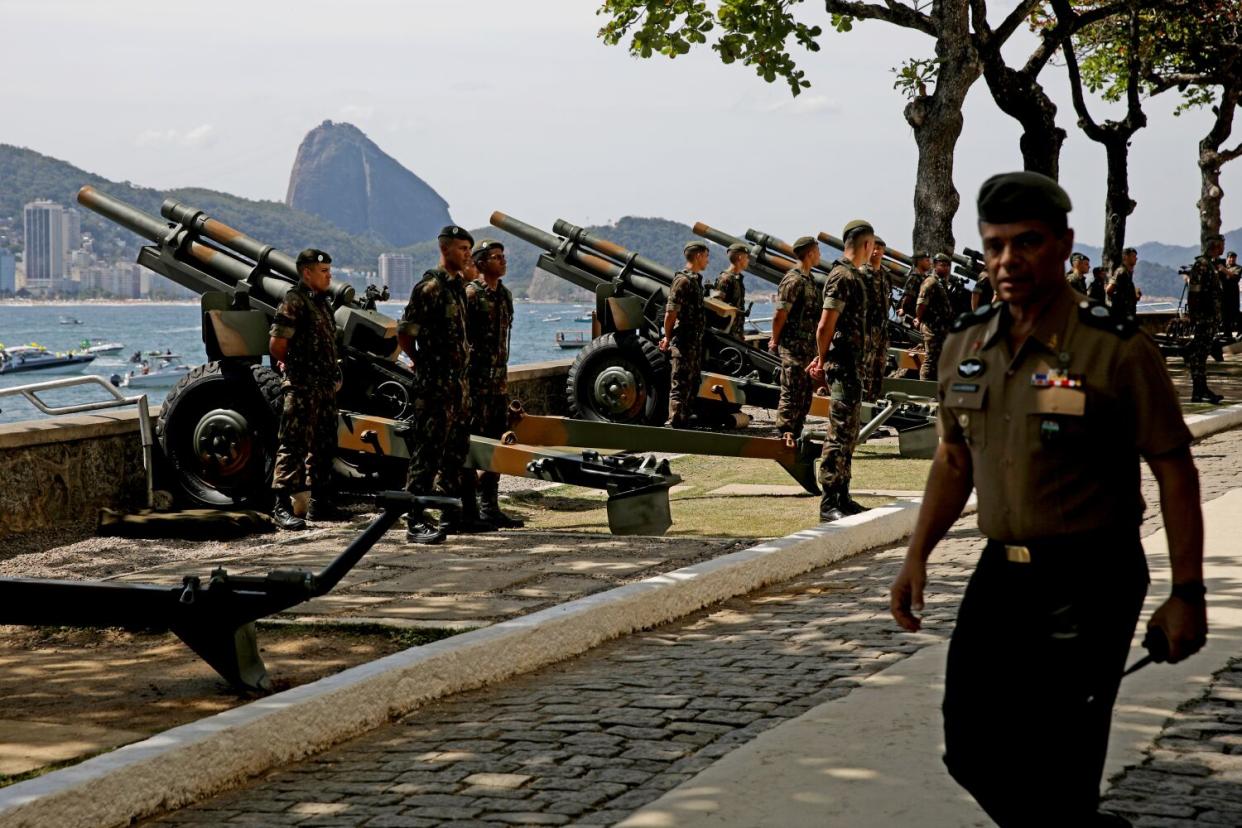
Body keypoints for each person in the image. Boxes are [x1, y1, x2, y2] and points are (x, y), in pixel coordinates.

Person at [890, 171, 1206, 828]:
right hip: (1000, 576)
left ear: (1063, 244)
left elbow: (1173, 468)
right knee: (970, 748)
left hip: (1091, 576)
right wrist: (916, 554)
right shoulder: (963, 346)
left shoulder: (1114, 349)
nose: (1009, 260)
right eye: (996, 244)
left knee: (1061, 762)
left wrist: (1188, 593)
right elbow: (954, 460)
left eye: (1027, 242)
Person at [399, 225, 488, 544]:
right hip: (435, 387)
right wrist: (421, 362)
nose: (468, 254)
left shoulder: (457, 288)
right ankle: (415, 520)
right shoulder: (429, 288)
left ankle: (450, 515)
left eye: (469, 249)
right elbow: (406, 333)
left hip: (457, 388)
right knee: (427, 454)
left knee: (455, 454)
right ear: (446, 249)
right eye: (463, 248)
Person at [269, 248, 342, 530]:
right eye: (323, 272)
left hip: (324, 388)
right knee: (293, 445)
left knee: (324, 446)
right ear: (307, 272)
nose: (329, 276)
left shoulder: (322, 304)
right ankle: (282, 506)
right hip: (301, 387)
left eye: (329, 271)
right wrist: (299, 369)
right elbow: (277, 346)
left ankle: (320, 504)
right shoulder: (294, 301)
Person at [810, 220, 873, 522]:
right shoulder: (841, 276)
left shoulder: (853, 277)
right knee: (838, 432)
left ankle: (843, 495)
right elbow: (825, 325)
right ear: (866, 245)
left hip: (852, 366)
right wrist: (821, 361)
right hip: (842, 366)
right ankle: (829, 501)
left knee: (848, 432)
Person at [465, 238, 523, 528]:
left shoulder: (505, 296)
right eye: (496, 257)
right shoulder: (472, 295)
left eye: (503, 256)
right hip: (475, 385)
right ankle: (470, 508)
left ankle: (490, 507)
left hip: (498, 384)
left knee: (497, 446)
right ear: (480, 263)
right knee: (474, 447)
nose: (503, 261)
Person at [768, 236, 821, 440]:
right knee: (791, 391)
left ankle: (796, 432)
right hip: (792, 346)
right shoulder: (794, 280)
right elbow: (780, 314)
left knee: (805, 393)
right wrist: (775, 339)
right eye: (817, 251)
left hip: (807, 347)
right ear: (809, 254)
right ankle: (785, 433)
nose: (819, 255)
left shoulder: (809, 279)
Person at [661, 241, 709, 428]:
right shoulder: (682, 281)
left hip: (693, 342)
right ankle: (675, 424)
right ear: (698, 256)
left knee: (692, 384)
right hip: (683, 342)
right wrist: (667, 336)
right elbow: (670, 313)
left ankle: (685, 421)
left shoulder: (695, 280)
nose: (707, 261)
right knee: (680, 385)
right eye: (706, 256)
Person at [1185, 234, 1227, 404]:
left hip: (1210, 319)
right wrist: (1195, 316)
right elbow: (1194, 292)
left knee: (1201, 355)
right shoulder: (1202, 265)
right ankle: (1199, 390)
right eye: (1222, 245)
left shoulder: (1210, 265)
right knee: (1199, 355)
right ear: (1216, 246)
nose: (1223, 248)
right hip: (1204, 318)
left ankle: (1200, 390)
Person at [862, 235, 892, 401]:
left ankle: (872, 404)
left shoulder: (885, 275)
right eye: (873, 247)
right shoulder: (862, 273)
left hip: (881, 330)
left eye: (879, 248)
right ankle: (863, 406)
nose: (876, 251)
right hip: (867, 329)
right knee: (865, 369)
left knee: (879, 370)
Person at [915, 253, 954, 380]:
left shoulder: (940, 283)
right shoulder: (931, 282)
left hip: (941, 330)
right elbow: (921, 304)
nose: (946, 268)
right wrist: (919, 319)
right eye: (942, 265)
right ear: (934, 265)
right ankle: (924, 389)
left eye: (948, 265)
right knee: (930, 360)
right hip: (932, 329)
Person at [714, 242, 749, 341]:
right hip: (726, 335)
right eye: (746, 257)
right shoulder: (725, 279)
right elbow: (717, 306)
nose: (748, 260)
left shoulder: (737, 279)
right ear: (740, 258)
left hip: (735, 333)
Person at [1106, 246, 1141, 319]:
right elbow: (1109, 290)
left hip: (1128, 312)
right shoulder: (1121, 272)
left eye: (1136, 256)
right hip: (1121, 313)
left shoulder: (1128, 273)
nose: (1136, 258)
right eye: (1133, 256)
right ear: (1125, 257)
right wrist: (1120, 302)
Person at [898, 252, 930, 324]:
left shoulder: (923, 278)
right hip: (909, 315)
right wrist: (903, 309)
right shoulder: (915, 277)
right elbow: (908, 296)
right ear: (919, 262)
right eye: (927, 260)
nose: (930, 263)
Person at [1221, 250, 1240, 339]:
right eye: (1230, 258)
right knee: (1224, 315)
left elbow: (1234, 276)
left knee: (1235, 313)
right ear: (1227, 258)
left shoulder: (1238, 268)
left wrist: (1224, 270)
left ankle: (1241, 331)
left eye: (1233, 258)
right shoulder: (1223, 267)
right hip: (1223, 294)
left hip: (1233, 295)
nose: (1232, 259)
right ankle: (1227, 334)